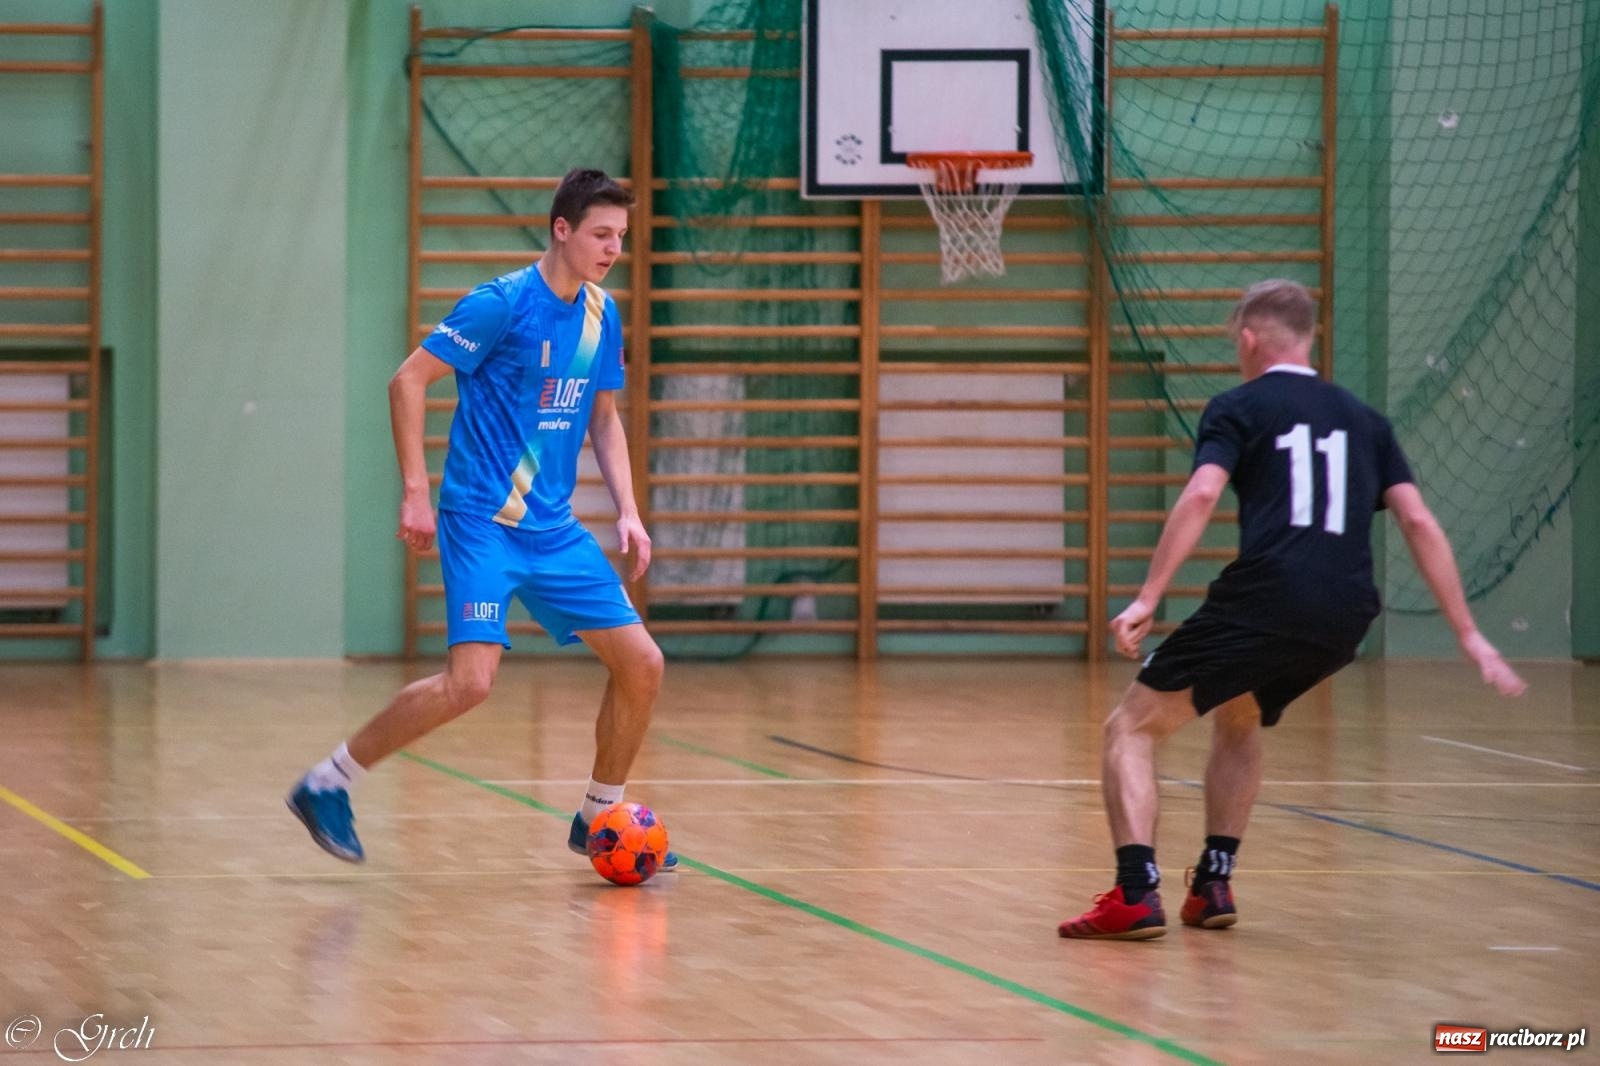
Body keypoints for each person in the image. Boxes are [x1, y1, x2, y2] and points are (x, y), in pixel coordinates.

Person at [1058, 279, 1525, 940]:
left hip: (1268, 595)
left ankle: (1136, 894)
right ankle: (1214, 882)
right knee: (1240, 713)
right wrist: (1469, 633)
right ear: (1307, 339)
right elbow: (1418, 521)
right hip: (1346, 613)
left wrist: (1147, 596)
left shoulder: (1238, 406)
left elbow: (1199, 496)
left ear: (1249, 339)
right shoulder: (1367, 421)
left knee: (1130, 728)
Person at [288, 168, 674, 873]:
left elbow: (605, 418)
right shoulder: (499, 305)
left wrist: (629, 510)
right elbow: (406, 380)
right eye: (600, 234)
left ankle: (597, 816)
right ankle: (328, 782)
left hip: (552, 529)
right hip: (481, 522)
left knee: (642, 664)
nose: (613, 248)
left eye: (621, 236)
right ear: (562, 230)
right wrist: (413, 492)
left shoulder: (599, 314)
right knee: (471, 682)